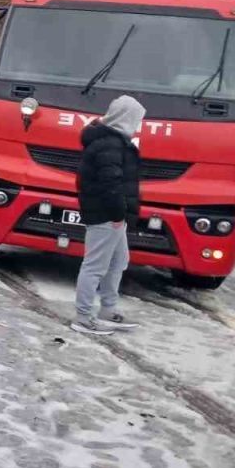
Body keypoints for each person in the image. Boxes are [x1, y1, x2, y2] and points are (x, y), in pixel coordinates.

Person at [72, 94, 145, 336]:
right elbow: (110, 183)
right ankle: (83, 317)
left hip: (114, 214)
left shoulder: (114, 141)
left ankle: (107, 310)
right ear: (126, 118)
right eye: (136, 120)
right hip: (107, 214)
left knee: (118, 261)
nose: (138, 126)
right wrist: (117, 214)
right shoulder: (110, 144)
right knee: (95, 265)